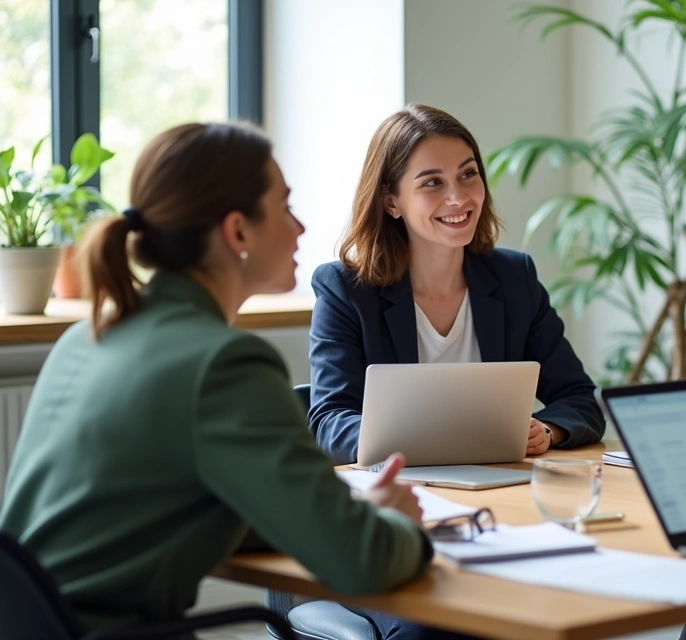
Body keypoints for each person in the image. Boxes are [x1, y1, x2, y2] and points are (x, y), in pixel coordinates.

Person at [0, 123, 432, 633]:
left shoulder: (90, 334)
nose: (300, 228)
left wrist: (333, 514)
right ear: (238, 231)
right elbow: (364, 563)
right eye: (284, 206)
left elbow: (167, 501)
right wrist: (395, 524)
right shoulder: (223, 364)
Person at [309, 104, 604, 465]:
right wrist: (424, 443)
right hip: (399, 491)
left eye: (468, 175)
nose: (459, 198)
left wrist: (545, 430)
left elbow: (580, 398)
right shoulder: (345, 289)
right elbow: (329, 422)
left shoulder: (514, 278)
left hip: (502, 489)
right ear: (391, 201)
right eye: (432, 183)